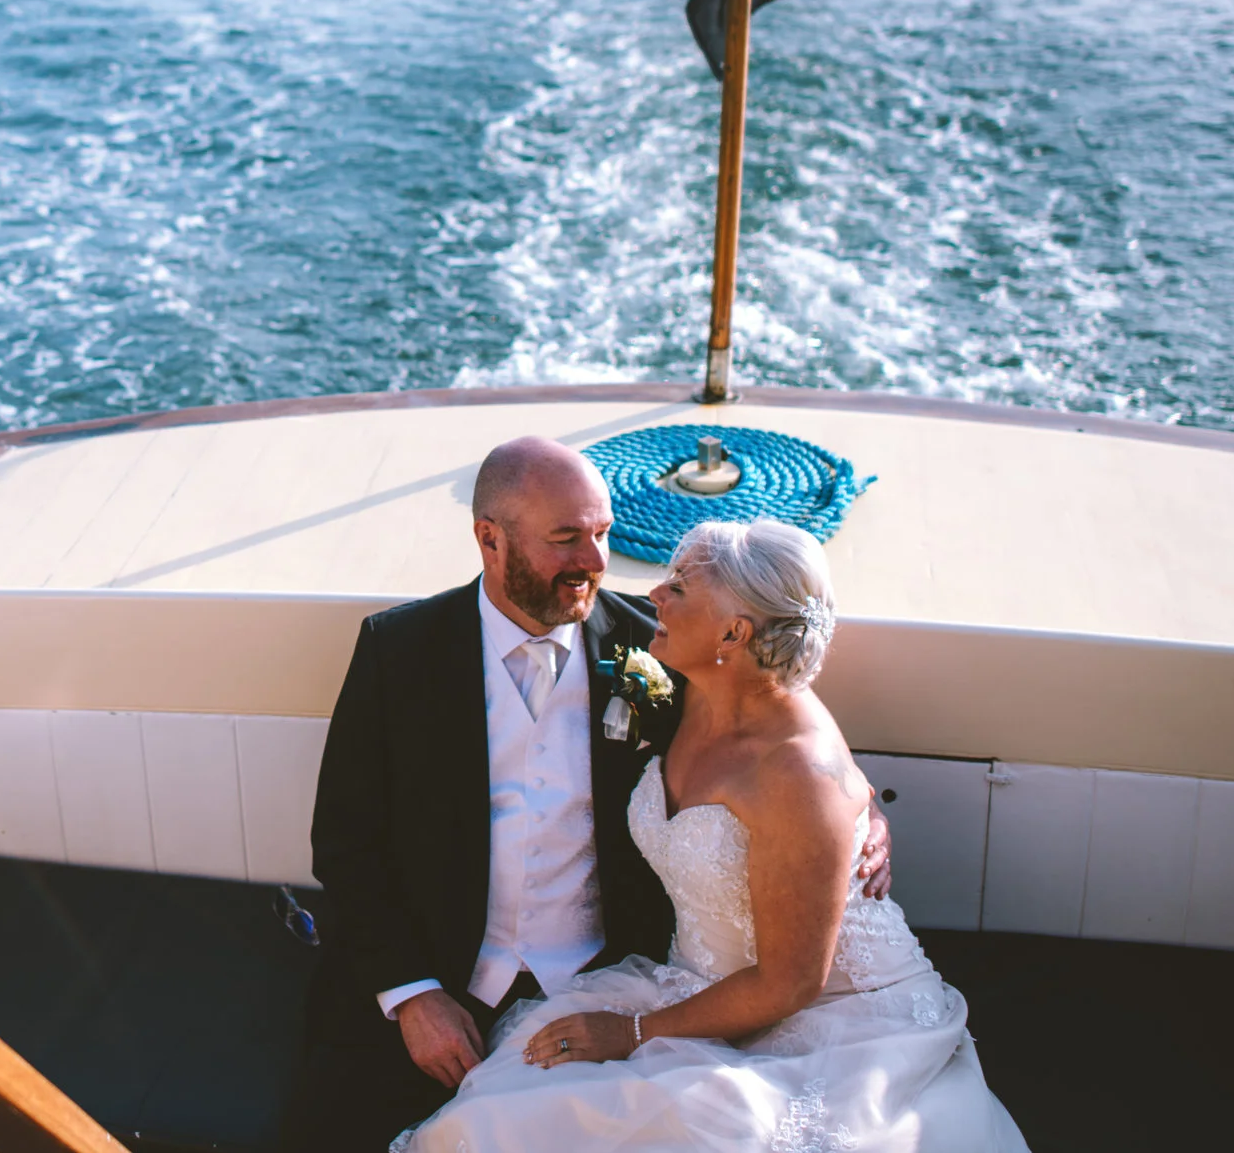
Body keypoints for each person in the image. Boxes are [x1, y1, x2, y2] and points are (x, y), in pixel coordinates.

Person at [279, 438, 891, 1152]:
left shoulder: (652, 648)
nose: (597, 561)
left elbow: (777, 710)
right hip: (443, 978)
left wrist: (863, 803)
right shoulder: (397, 650)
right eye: (566, 538)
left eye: (601, 532)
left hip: (607, 979)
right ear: (490, 538)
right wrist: (412, 994)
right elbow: (346, 841)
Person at [392, 517, 1027, 1153]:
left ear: (734, 631)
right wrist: (867, 808)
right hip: (699, 984)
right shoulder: (688, 682)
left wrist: (634, 1033)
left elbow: (792, 982)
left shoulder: (798, 769)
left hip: (835, 1020)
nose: (653, 598)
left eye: (678, 589)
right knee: (507, 1112)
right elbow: (845, 787)